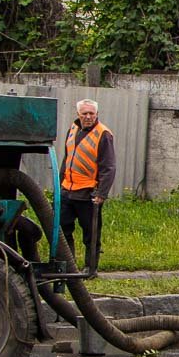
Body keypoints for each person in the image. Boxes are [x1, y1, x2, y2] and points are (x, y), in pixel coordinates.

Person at [59, 99, 116, 273]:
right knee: (62, 228)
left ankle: (90, 269)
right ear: (78, 115)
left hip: (89, 193)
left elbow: (109, 167)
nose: (89, 117)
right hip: (68, 190)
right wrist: (60, 182)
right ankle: (68, 265)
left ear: (97, 114)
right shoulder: (73, 129)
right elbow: (67, 158)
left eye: (92, 113)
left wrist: (101, 193)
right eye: (85, 113)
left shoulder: (103, 134)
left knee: (90, 234)